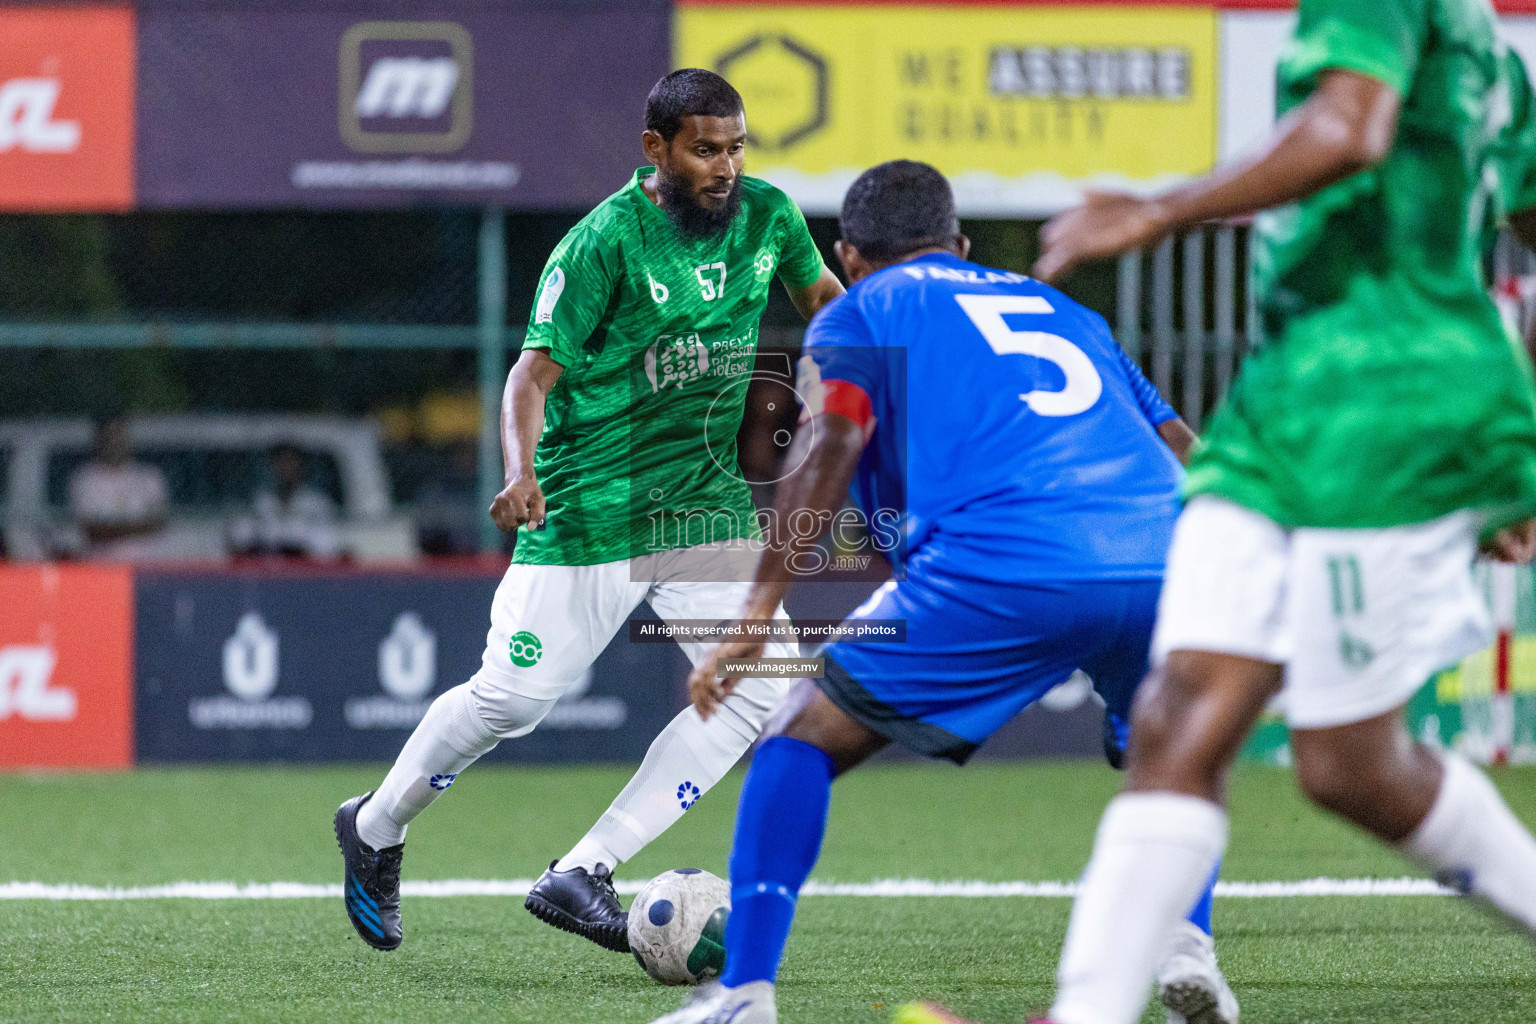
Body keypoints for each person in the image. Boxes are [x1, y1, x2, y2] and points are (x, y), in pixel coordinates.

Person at [893, 1, 1536, 1022]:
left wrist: (1159, 210)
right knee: (1174, 712)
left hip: (1381, 412)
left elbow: (1348, 126)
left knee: (1351, 764)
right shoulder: (1494, 57)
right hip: (1282, 412)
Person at [649, 160, 1233, 1024]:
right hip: (1165, 554)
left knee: (796, 739)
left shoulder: (862, 309)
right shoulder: (1070, 313)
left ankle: (744, 994)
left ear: (848, 256)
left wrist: (755, 614)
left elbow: (831, 449)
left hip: (1005, 558)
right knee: (1168, 746)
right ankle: (1189, 950)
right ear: (960, 246)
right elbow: (1187, 448)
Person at [333, 69, 844, 954]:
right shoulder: (602, 243)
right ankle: (374, 828)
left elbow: (829, 306)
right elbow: (531, 374)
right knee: (512, 702)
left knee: (765, 694)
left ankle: (584, 870)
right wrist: (519, 470)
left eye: (735, 148)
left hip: (702, 505)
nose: (725, 168)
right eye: (704, 150)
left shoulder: (770, 216)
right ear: (656, 150)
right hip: (589, 506)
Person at [68, 414, 169, 561]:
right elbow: (92, 531)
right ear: (98, 439)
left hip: (146, 569)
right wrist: (139, 527)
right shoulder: (85, 479)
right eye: (109, 435)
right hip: (103, 569)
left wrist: (113, 528)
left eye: (119, 434)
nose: (115, 441)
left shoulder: (149, 477)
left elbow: (159, 523)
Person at [228, 443, 339, 559]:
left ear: (301, 467)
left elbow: (326, 547)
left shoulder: (317, 504)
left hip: (305, 570)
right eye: (280, 463)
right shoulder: (261, 502)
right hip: (267, 569)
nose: (285, 469)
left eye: (290, 462)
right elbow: (243, 537)